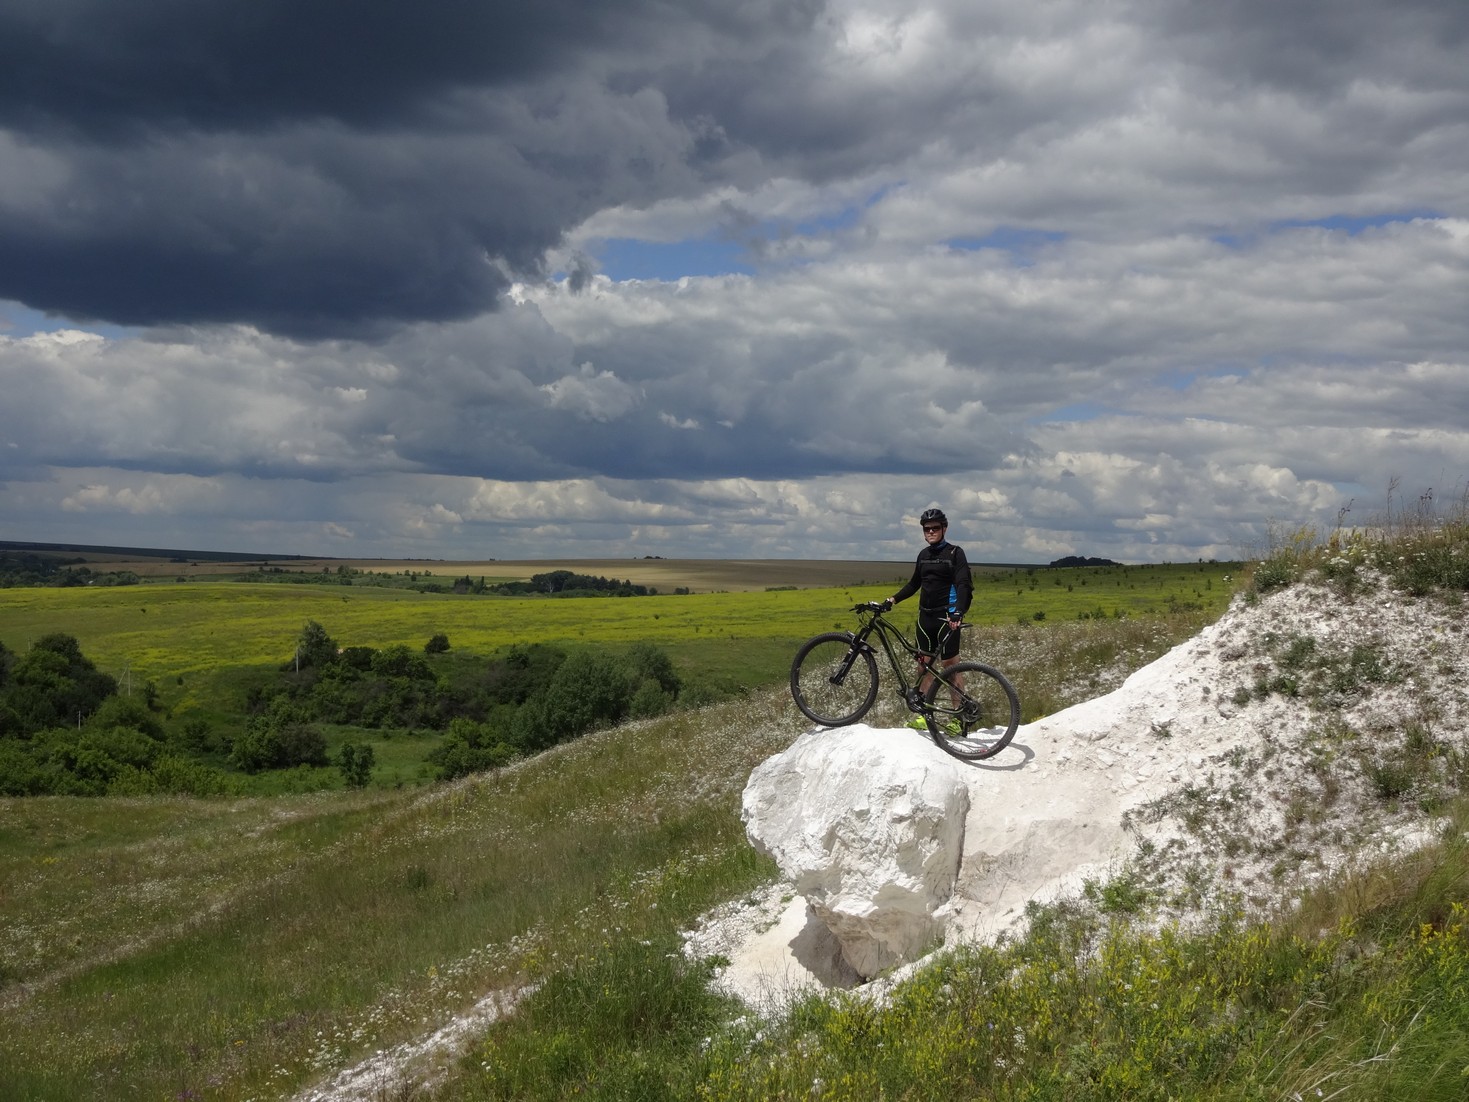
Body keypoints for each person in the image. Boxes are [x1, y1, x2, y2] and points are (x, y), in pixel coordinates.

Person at [883, 508, 972, 725]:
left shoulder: (955, 553)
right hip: (925, 619)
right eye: (927, 529)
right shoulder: (923, 555)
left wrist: (959, 611)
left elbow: (964, 585)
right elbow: (914, 583)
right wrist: (892, 600)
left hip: (946, 618)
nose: (931, 531)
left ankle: (959, 717)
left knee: (950, 667)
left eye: (935, 528)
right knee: (923, 666)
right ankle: (923, 717)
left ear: (944, 529)